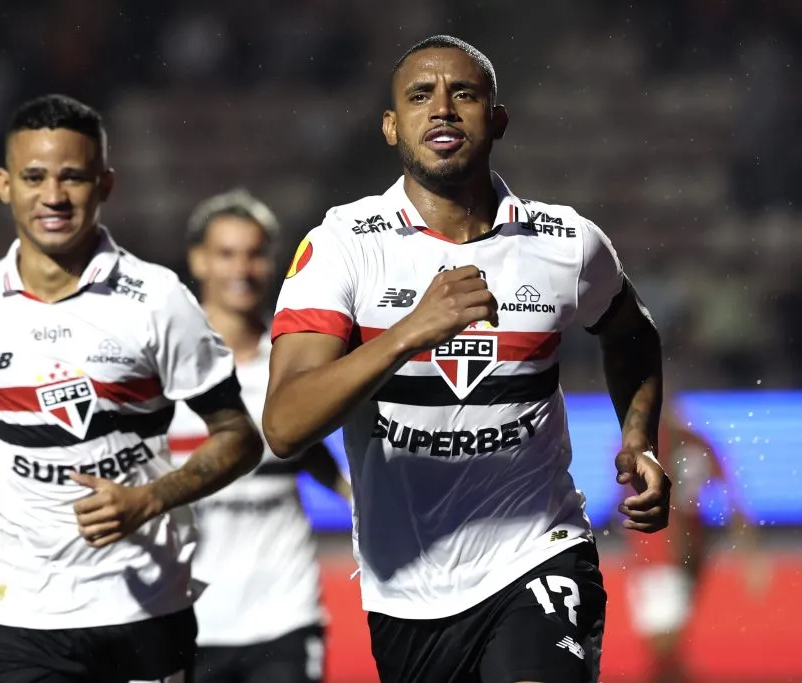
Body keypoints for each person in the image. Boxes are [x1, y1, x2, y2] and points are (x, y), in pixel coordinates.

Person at [261, 35, 671, 683]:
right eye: (421, 96)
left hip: (539, 553)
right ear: (392, 127)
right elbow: (284, 424)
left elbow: (631, 331)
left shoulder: (566, 243)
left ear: (498, 119)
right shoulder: (342, 246)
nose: (443, 109)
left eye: (465, 94)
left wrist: (640, 436)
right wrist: (405, 333)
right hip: (407, 592)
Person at [0, 93, 263, 683]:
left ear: (105, 185)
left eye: (73, 177)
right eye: (34, 177)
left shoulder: (158, 300)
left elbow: (239, 437)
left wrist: (150, 500)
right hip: (18, 607)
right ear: (4, 185)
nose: (53, 196)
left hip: (143, 606)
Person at [168, 189, 351, 683]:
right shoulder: (166, 366)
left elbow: (310, 451)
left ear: (273, 263)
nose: (241, 269)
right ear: (198, 260)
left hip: (285, 614)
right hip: (188, 616)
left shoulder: (293, 361)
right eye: (227, 254)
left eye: (254, 254)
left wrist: (357, 499)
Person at [624, 396, 764, 683]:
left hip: (658, 555)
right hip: (687, 555)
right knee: (668, 649)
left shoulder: (640, 445)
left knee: (664, 651)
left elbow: (626, 503)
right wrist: (750, 553)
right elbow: (733, 500)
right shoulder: (698, 440)